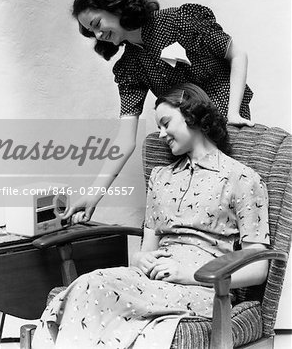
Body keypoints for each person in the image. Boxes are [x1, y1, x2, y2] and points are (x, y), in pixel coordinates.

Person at [33, 84, 269, 349]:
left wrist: (188, 273)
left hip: (204, 289)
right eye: (159, 127)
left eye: (166, 123)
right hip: (151, 283)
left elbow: (258, 268)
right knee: (90, 283)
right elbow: (144, 252)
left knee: (93, 286)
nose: (161, 134)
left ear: (192, 114)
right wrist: (142, 260)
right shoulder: (161, 178)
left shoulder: (242, 178)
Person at [65, 0, 254, 223]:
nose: (98, 34)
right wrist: (94, 194)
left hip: (223, 126)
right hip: (185, 138)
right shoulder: (130, 65)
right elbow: (124, 139)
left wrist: (233, 113)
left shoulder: (178, 21)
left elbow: (237, 54)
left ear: (114, 5)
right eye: (92, 31)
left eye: (97, 23)